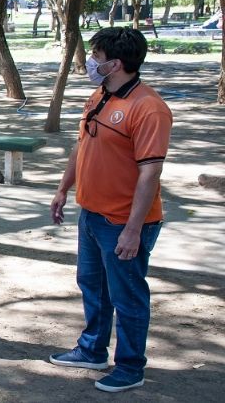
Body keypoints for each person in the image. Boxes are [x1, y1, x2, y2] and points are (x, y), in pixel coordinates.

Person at [49, 27, 172, 393]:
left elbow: (150, 172)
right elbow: (82, 144)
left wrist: (133, 229)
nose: (90, 62)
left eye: (96, 57)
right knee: (93, 286)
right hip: (91, 214)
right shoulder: (100, 94)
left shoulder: (148, 108)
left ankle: (131, 366)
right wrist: (62, 189)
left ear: (115, 63)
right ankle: (92, 350)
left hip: (124, 222)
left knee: (128, 295)